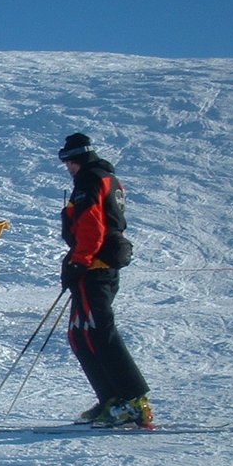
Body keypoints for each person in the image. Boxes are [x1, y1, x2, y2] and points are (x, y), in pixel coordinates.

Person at [58, 132, 152, 428]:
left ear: (78, 159)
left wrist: (78, 261)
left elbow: (91, 227)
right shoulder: (107, 178)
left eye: (68, 161)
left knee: (98, 331)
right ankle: (112, 396)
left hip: (95, 267)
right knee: (81, 334)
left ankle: (134, 398)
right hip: (99, 265)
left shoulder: (90, 179)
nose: (67, 168)